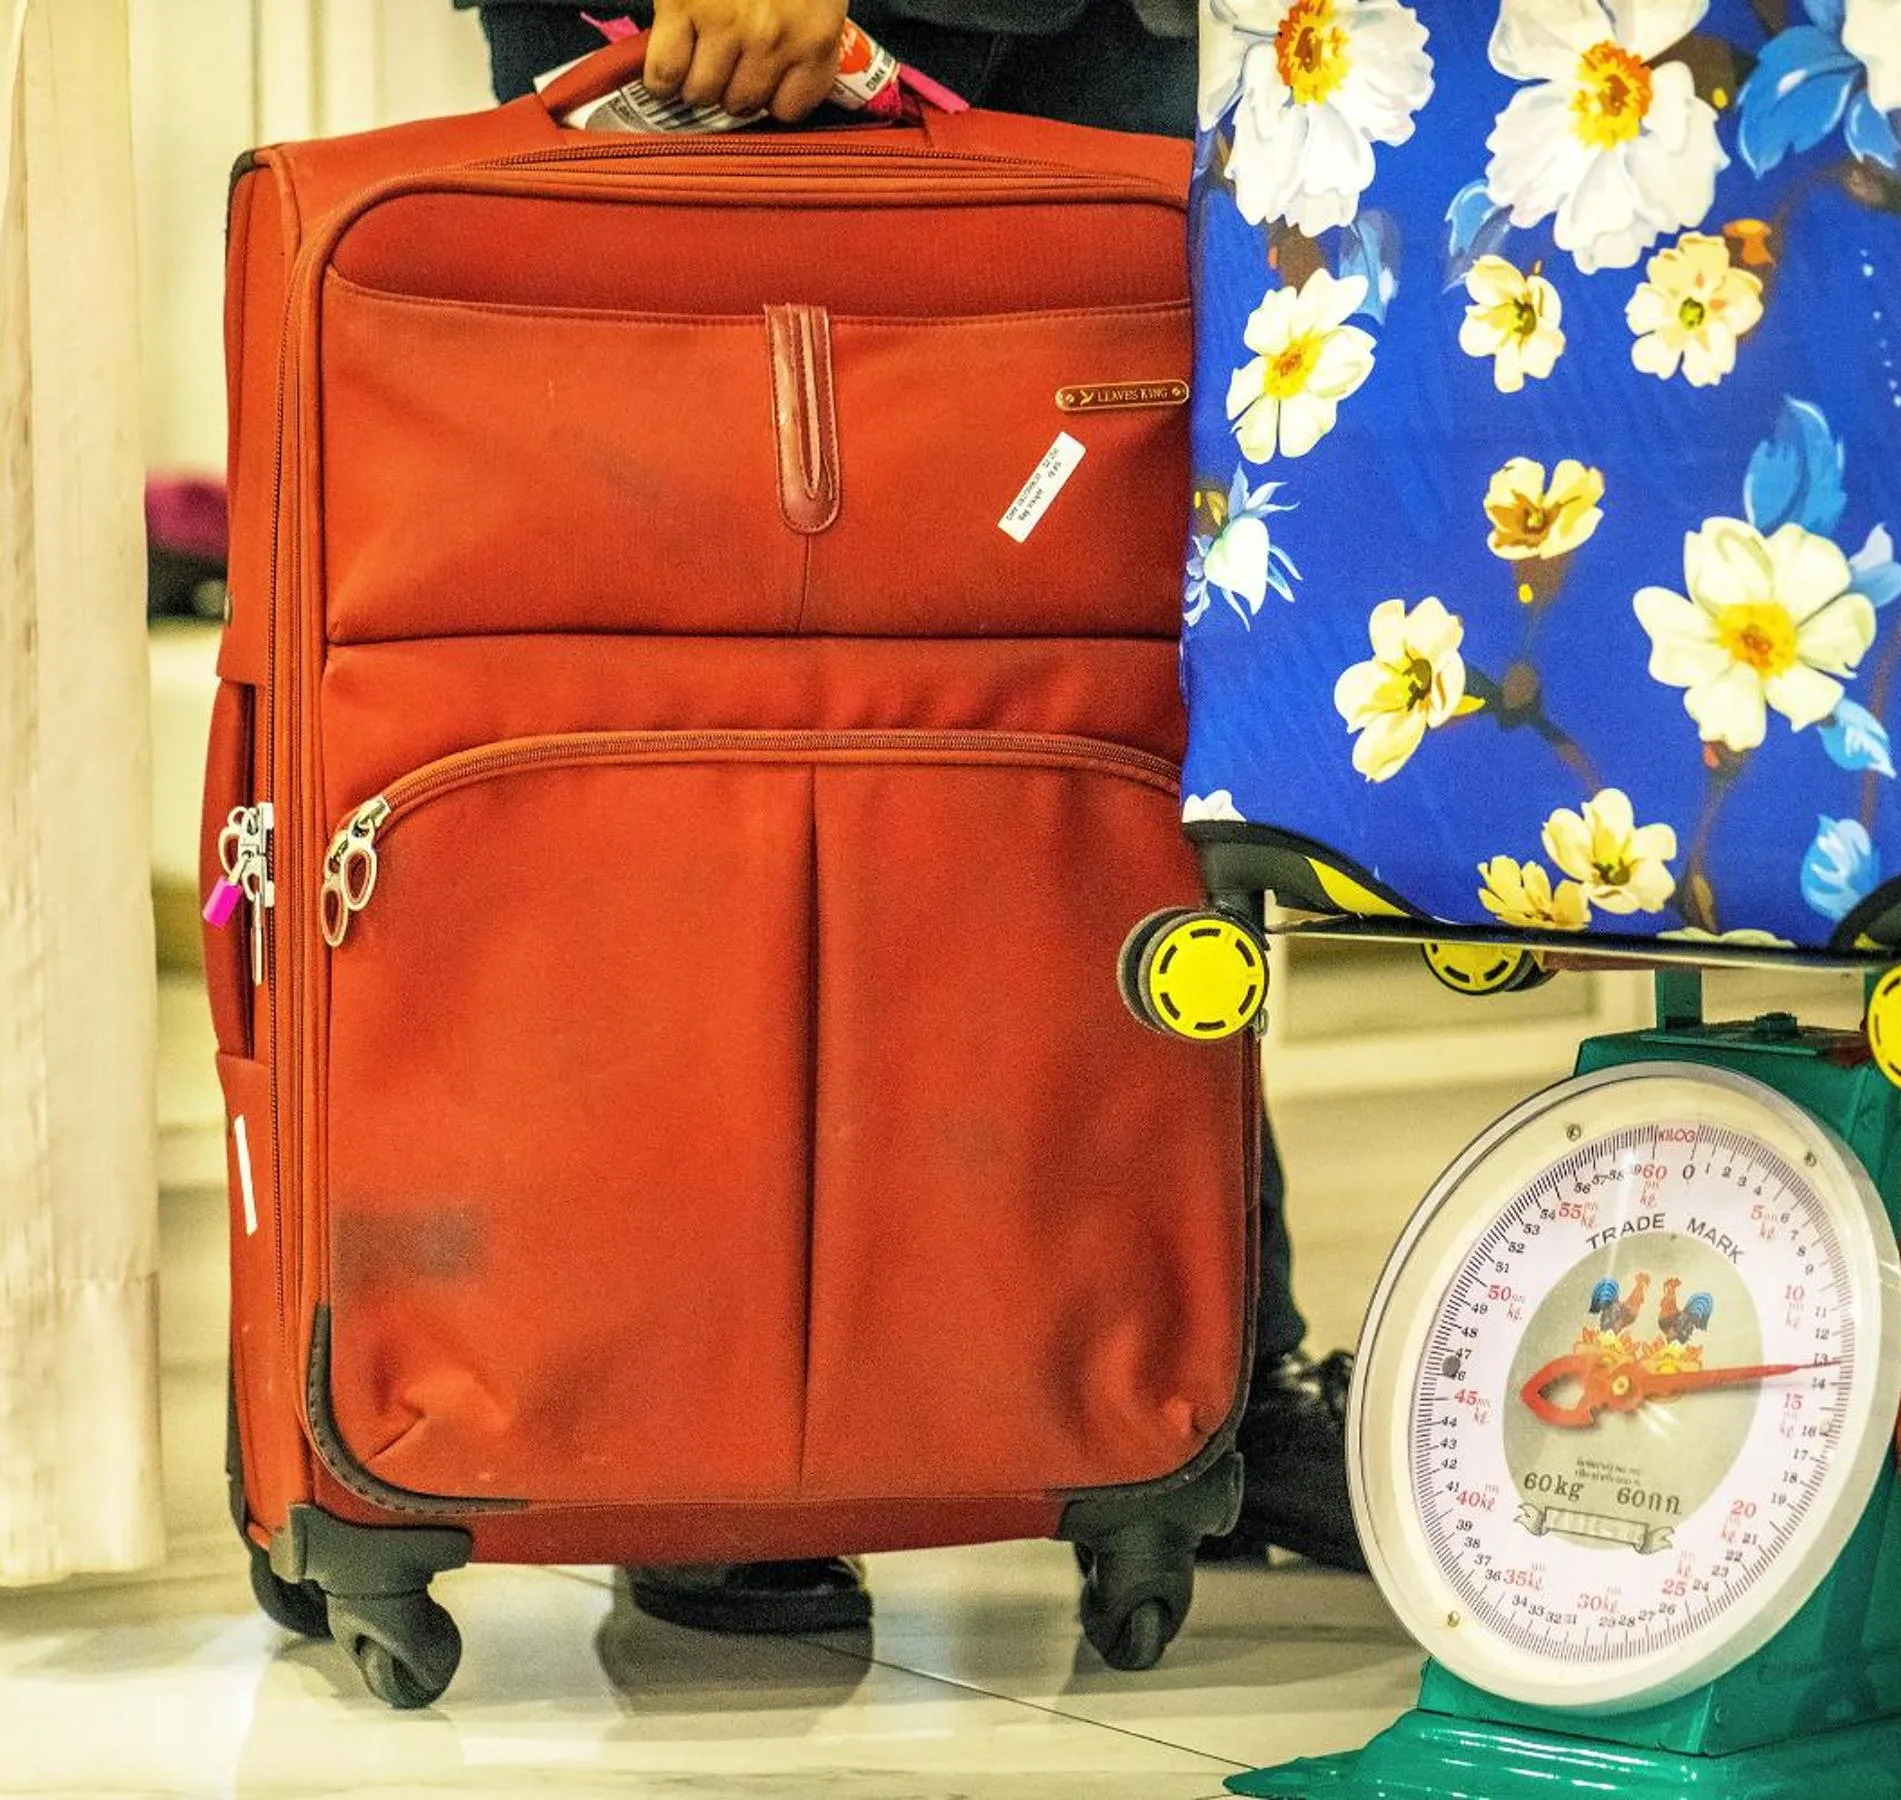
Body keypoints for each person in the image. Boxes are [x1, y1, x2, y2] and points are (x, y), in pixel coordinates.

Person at [458, 0, 1362, 1635]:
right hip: (709, 38)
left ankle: (1194, 1356)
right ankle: (711, 1414)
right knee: (706, 690)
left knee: (1095, 701)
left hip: (1094, 20)